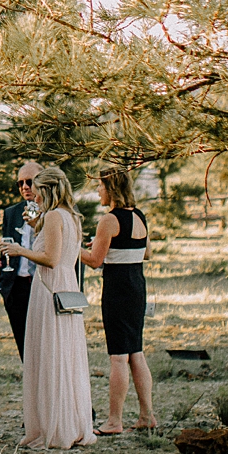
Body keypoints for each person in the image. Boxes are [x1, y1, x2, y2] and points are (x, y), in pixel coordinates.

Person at [0, 165, 97, 449]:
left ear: (48, 190)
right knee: (65, 357)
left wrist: (20, 250)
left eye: (38, 191)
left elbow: (50, 258)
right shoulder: (71, 216)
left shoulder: (54, 215)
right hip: (67, 286)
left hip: (49, 288)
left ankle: (54, 426)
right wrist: (36, 228)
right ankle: (71, 421)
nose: (34, 198)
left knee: (49, 356)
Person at [79, 165, 156, 432]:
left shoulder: (108, 220)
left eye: (100, 186)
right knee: (136, 351)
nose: (98, 190)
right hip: (137, 286)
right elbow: (146, 253)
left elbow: (95, 261)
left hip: (117, 290)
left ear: (110, 188)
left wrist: (72, 248)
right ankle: (147, 415)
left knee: (118, 356)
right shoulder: (140, 216)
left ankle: (114, 420)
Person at [0, 163, 41, 358]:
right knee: (25, 349)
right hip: (17, 287)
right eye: (20, 183)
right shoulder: (12, 213)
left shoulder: (54, 212)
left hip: (42, 284)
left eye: (30, 182)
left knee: (43, 347)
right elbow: (6, 248)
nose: (25, 187)